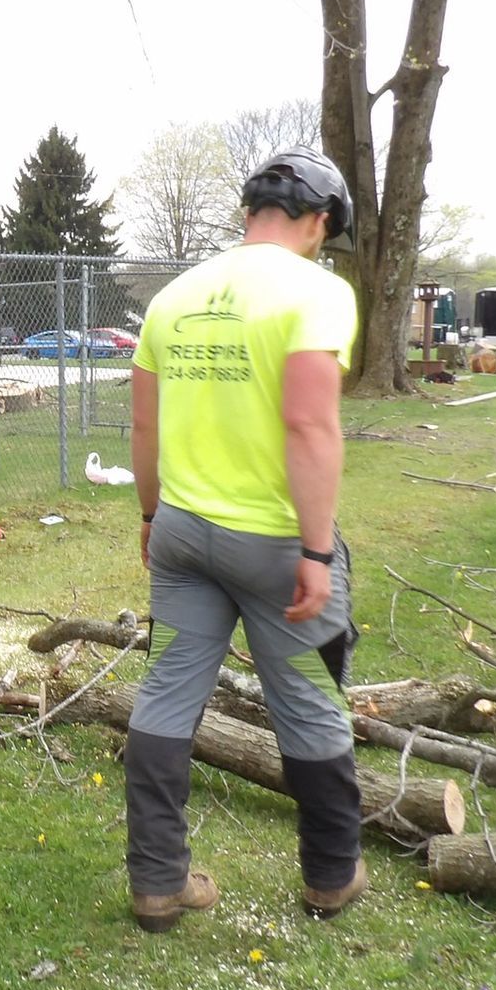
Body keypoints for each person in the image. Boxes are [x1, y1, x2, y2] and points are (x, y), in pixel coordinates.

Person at [122, 149, 365, 932]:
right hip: (273, 549)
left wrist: (153, 517)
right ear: (321, 221)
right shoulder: (317, 293)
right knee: (310, 704)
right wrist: (318, 552)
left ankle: (157, 883)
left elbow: (145, 425)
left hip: (183, 534)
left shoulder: (173, 297)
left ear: (251, 210)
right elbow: (308, 423)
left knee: (164, 699)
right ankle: (331, 878)